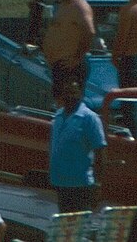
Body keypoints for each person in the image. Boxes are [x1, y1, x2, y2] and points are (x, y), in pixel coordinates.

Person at [49, 80, 105, 213]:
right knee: (65, 228)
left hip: (81, 186)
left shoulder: (89, 118)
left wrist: (98, 184)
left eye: (73, 92)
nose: (69, 96)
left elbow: (100, 151)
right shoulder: (58, 116)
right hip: (61, 184)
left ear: (81, 94)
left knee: (79, 228)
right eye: (66, 93)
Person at [41, 0, 95, 102]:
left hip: (71, 67)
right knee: (60, 105)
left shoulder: (79, 6)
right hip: (59, 65)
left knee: (68, 105)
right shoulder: (62, 4)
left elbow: (90, 32)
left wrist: (76, 58)